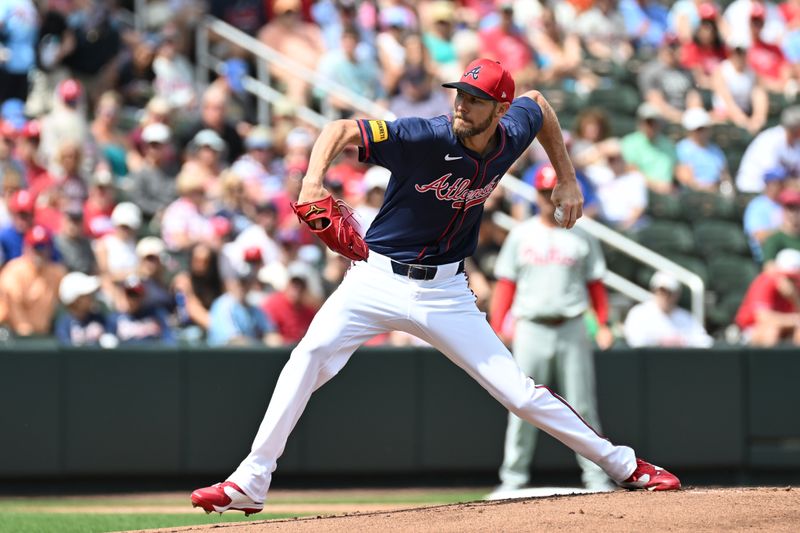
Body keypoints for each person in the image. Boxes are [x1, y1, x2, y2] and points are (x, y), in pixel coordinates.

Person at [190, 58, 680, 517]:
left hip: (447, 293)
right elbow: (339, 129)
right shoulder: (422, 136)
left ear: (500, 110)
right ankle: (251, 482)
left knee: (520, 396)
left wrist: (567, 179)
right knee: (308, 356)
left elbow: (541, 104)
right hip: (375, 279)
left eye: (475, 98)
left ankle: (624, 465)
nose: (462, 105)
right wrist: (312, 182)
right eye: (460, 94)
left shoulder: (512, 132)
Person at [489, 164, 617, 493]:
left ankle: (595, 478)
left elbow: (596, 287)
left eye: (552, 191)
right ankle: (513, 479)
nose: (548, 198)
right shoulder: (521, 233)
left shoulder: (583, 234)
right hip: (530, 326)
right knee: (521, 405)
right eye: (543, 191)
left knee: (583, 406)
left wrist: (601, 324)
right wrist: (497, 323)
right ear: (535, 193)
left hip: (572, 325)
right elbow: (505, 284)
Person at [0, 225, 66, 336]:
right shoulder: (14, 271)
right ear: (26, 248)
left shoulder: (57, 272)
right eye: (36, 248)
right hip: (12, 335)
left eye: (42, 247)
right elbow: (13, 305)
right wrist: (26, 332)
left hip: (44, 334)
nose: (39, 252)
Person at [624, 271, 714, 347]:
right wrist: (660, 341)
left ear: (677, 294)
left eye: (669, 293)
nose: (665, 297)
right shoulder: (638, 314)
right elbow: (635, 340)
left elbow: (704, 341)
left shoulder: (686, 317)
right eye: (661, 291)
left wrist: (683, 341)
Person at [735, 248, 800, 345]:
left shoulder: (797, 286)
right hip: (752, 329)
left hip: (788, 327)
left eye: (794, 278)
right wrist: (795, 320)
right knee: (772, 331)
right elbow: (764, 318)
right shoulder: (764, 282)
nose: (791, 281)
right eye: (787, 277)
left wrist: (793, 297)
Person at [736, 105, 800, 193]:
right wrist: (794, 184)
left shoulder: (796, 143)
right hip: (753, 190)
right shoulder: (770, 139)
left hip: (777, 192)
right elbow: (771, 176)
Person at [54, 272, 113, 346]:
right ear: (76, 301)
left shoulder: (99, 318)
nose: (92, 297)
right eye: (87, 295)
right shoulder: (64, 324)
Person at [743, 167, 788, 262]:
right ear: (768, 184)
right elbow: (759, 236)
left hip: (787, 250)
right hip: (766, 255)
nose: (781, 187)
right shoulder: (757, 205)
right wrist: (784, 231)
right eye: (776, 183)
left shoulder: (786, 205)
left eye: (782, 183)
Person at [762, 188, 800, 267]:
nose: (793, 213)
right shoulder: (774, 239)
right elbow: (769, 267)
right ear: (782, 210)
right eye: (790, 208)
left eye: (797, 208)